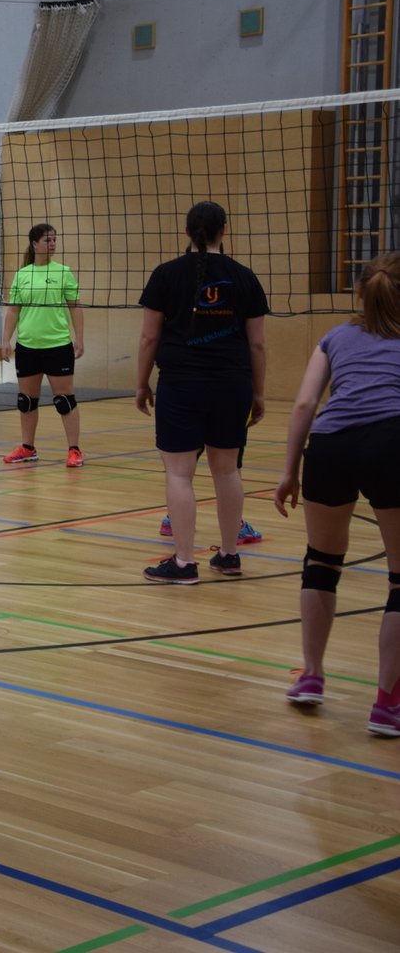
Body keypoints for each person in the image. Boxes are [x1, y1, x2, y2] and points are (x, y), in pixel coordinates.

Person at [273, 251, 400, 737]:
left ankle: (311, 676)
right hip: (391, 441)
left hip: (330, 444)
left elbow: (305, 403)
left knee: (322, 563)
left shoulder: (335, 337)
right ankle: (387, 704)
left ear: (360, 294)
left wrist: (290, 471)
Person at [135, 201, 267, 584]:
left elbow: (148, 337)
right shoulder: (245, 277)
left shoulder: (165, 275)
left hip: (181, 384)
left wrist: (141, 383)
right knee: (227, 470)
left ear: (186, 232)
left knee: (179, 474)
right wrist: (259, 394)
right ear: (224, 231)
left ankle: (184, 563)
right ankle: (229, 555)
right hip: (232, 384)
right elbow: (258, 344)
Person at [0, 223, 85, 467]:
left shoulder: (63, 272)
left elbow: (75, 307)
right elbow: (13, 310)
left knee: (64, 400)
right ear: (35, 244)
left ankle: (74, 450)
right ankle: (28, 448)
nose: (53, 244)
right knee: (26, 401)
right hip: (27, 346)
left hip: (57, 345)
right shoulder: (22, 275)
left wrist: (79, 338)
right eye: (48, 240)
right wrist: (5, 340)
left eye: (55, 240)